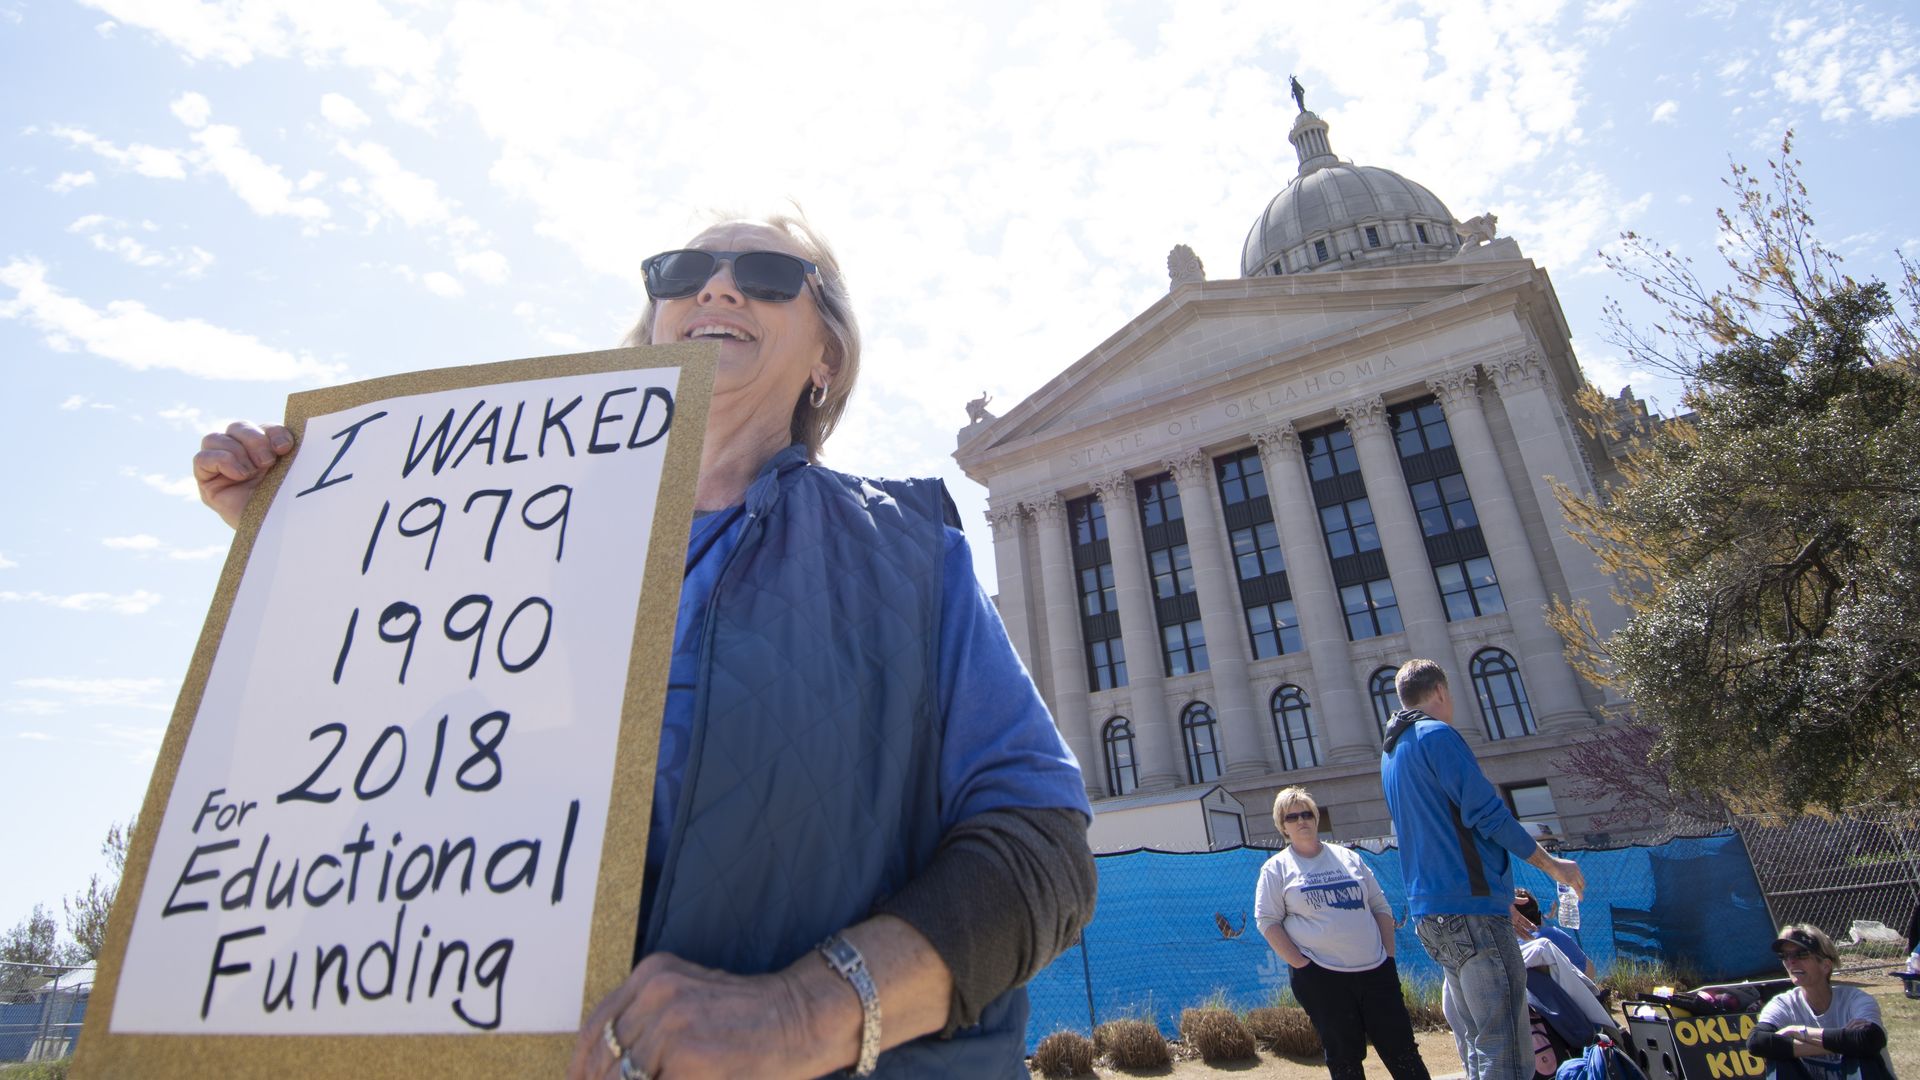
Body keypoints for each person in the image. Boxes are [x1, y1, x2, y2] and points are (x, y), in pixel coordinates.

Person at [192, 214, 1099, 1079]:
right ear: (653, 326)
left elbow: (1042, 852)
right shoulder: (504, 546)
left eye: (769, 276)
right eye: (682, 273)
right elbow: (386, 778)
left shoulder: (909, 555)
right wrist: (306, 559)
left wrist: (802, 1015)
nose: (718, 288)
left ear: (827, 357)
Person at [1380, 659, 1586, 1080]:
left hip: (1434, 915)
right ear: (1439, 691)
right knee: (1507, 1049)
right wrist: (1552, 866)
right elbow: (1487, 814)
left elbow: (1441, 832)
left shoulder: (1392, 753)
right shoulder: (1437, 735)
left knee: (1479, 1043)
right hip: (1473, 912)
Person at [1255, 787, 1432, 1080]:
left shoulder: (1347, 857)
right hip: (1323, 978)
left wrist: (1387, 956)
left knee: (1402, 1051)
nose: (1302, 820)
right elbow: (1267, 921)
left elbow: (1379, 906)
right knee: (1345, 1058)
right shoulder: (1276, 869)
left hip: (1376, 971)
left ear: (1316, 817)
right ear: (1282, 825)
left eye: (1307, 813)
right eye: (1292, 816)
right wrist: (1302, 965)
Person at [1748, 924, 1896, 1080]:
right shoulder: (1783, 1004)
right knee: (1778, 1061)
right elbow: (1756, 1041)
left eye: (1801, 954)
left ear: (1825, 966)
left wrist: (1800, 1033)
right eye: (1784, 955)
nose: (1791, 961)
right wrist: (1842, 1043)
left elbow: (1871, 1039)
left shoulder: (1856, 1000)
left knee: (1859, 1056)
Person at [1513, 887, 1595, 980]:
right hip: (1564, 991)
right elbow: (1589, 971)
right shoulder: (1550, 935)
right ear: (1537, 913)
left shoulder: (1507, 947)